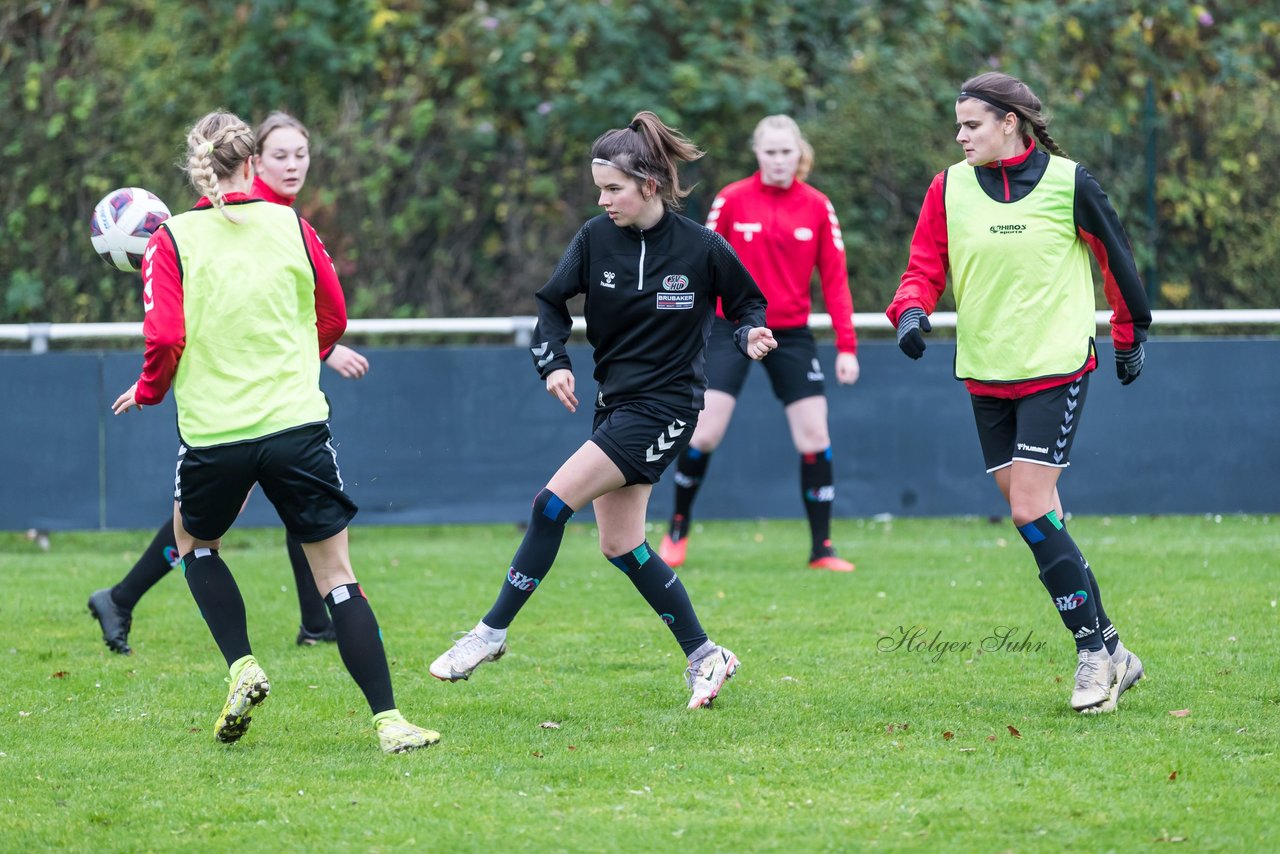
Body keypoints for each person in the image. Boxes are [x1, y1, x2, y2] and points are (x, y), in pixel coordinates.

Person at [110, 110, 437, 753]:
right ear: (253, 163)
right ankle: (390, 722)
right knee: (337, 576)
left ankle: (242, 665)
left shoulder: (170, 238)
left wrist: (149, 391)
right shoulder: (293, 223)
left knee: (196, 546)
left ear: (195, 168)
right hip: (295, 424)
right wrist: (293, 359)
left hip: (216, 433)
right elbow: (335, 315)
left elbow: (167, 336)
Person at [428, 111, 776, 709]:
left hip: (666, 406)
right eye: (599, 188)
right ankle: (704, 654)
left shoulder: (701, 246)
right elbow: (549, 306)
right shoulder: (595, 238)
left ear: (649, 184)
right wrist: (554, 361)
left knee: (549, 505)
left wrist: (750, 335)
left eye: (612, 188)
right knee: (621, 545)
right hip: (614, 403)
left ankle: (489, 633)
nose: (603, 199)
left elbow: (748, 305)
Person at [886, 72, 1151, 714]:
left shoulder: (1070, 182)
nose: (960, 136)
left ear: (1010, 122)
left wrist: (1128, 331)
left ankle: (1093, 658)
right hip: (984, 373)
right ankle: (1116, 651)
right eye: (958, 125)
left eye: (971, 124)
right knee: (1043, 519)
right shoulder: (947, 187)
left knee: (1030, 511)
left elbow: (1116, 260)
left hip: (1055, 368)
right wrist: (911, 311)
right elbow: (925, 266)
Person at [88, 111, 370, 655]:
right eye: (280, 155)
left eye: (301, 154)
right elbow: (242, 309)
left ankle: (314, 622)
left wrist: (318, 348)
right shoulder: (245, 217)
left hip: (262, 396)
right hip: (242, 401)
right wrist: (319, 348)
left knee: (265, 510)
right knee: (206, 527)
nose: (293, 165)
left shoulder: (279, 215)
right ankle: (122, 597)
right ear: (253, 161)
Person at [659, 115, 860, 573]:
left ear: (799, 153)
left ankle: (822, 549)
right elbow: (699, 265)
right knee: (704, 433)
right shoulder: (731, 200)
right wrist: (688, 331)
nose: (778, 160)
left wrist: (846, 347)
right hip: (733, 330)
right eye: (770, 152)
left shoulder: (817, 205)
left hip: (789, 334)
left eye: (786, 152)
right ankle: (677, 532)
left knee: (815, 436)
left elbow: (835, 280)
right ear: (757, 153)